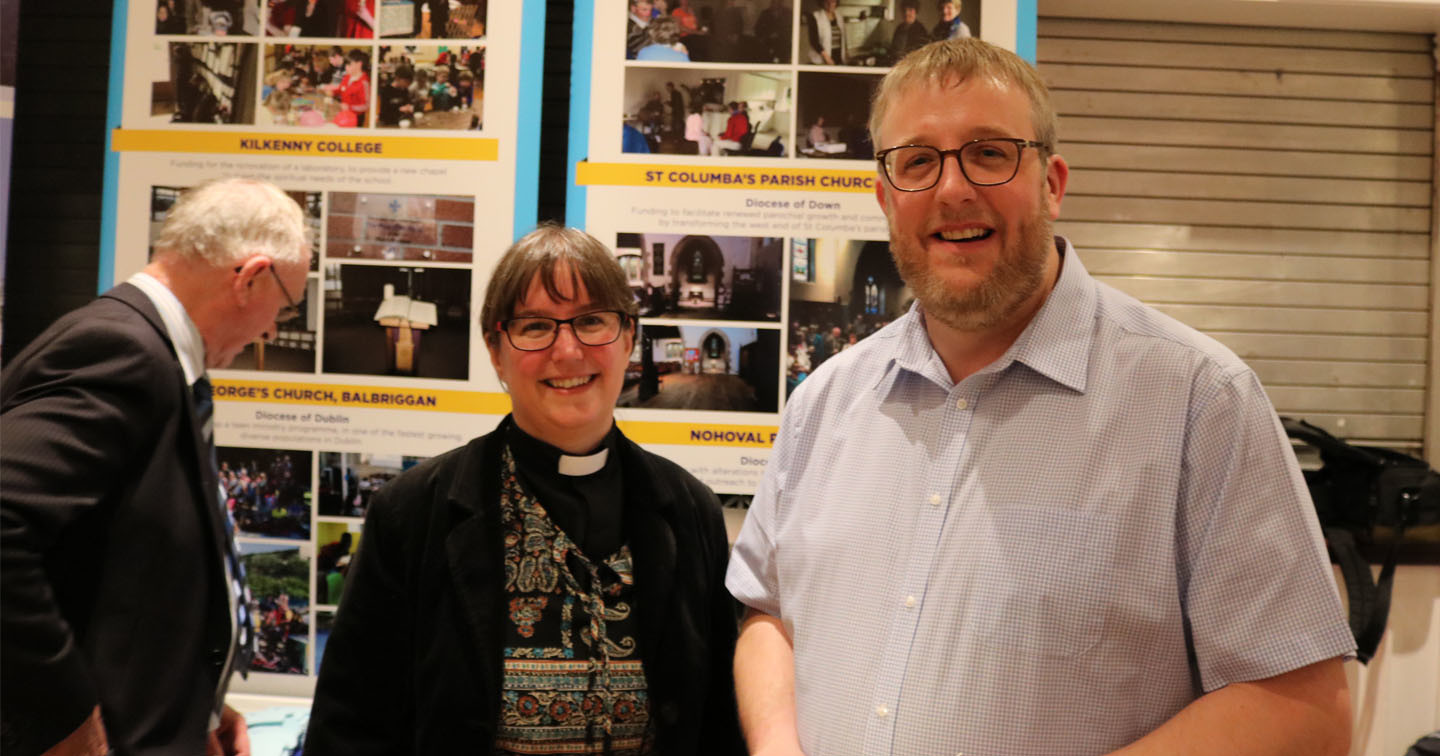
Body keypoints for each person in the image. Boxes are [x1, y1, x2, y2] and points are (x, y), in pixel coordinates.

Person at [726, 38, 1355, 756]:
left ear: (1052, 182)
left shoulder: (1199, 403)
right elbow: (768, 612)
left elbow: (1304, 713)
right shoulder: (824, 403)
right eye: (918, 162)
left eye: (989, 153)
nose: (952, 190)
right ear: (884, 196)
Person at [306, 225, 744, 755]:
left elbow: (720, 718)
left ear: (628, 339)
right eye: (536, 327)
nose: (568, 350)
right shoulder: (414, 512)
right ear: (496, 350)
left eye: (591, 322)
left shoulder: (690, 510)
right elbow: (352, 724)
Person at [1, 178, 311, 756]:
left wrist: (203, 701)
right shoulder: (120, 350)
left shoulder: (152, 353)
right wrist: (62, 719)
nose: (272, 330)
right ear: (250, 277)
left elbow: (124, 569)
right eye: (286, 307)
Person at [805, 0, 845, 65]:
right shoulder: (814, 16)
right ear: (822, 2)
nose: (830, 4)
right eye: (827, 2)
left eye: (833, 2)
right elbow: (814, 41)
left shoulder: (840, 17)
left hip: (838, 57)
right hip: (821, 58)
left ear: (836, 2)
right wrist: (826, 57)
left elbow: (843, 40)